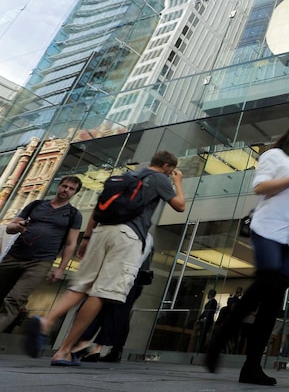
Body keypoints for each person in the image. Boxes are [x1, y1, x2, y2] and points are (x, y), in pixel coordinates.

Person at [26, 151, 185, 365]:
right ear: (167, 166)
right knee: (102, 293)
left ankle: (48, 322)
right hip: (127, 237)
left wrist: (86, 238)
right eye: (170, 170)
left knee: (80, 287)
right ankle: (63, 349)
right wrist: (178, 181)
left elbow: (97, 209)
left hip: (101, 232)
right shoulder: (159, 178)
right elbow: (180, 205)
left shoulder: (127, 177)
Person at [206, 118, 289, 386]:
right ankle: (221, 337)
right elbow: (260, 187)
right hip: (268, 228)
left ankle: (252, 366)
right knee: (268, 277)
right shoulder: (274, 156)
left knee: (273, 301)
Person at [0, 176, 82, 333]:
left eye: (71, 189)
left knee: (14, 300)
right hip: (14, 256)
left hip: (40, 263)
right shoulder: (36, 205)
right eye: (64, 186)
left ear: (75, 193)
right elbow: (10, 228)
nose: (66, 190)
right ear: (59, 186)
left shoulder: (73, 214)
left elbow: (71, 244)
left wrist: (60, 268)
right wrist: (17, 226)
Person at [71, 233, 154, 363]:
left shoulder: (142, 236)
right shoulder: (143, 236)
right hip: (127, 277)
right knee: (115, 312)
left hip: (126, 277)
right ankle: (94, 347)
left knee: (111, 310)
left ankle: (92, 346)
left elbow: (136, 259)